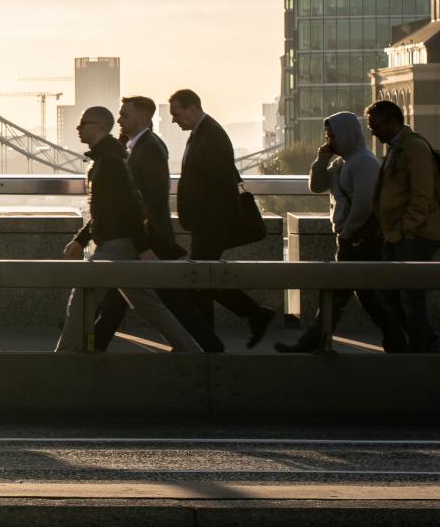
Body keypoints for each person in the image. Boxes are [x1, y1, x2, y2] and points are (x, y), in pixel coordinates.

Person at [56, 106, 200, 353]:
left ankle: (59, 361)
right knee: (147, 304)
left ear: (100, 127)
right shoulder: (107, 158)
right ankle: (190, 351)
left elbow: (132, 207)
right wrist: (81, 239)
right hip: (119, 243)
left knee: (81, 300)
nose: (78, 129)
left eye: (83, 124)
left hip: (116, 245)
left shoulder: (110, 162)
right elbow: (106, 208)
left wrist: (142, 248)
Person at [276, 111, 403, 352]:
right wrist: (321, 160)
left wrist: (348, 232)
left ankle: (314, 342)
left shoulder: (363, 162)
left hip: (359, 240)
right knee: (358, 295)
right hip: (351, 238)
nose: (329, 141)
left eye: (333, 136)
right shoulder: (343, 161)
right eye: (327, 136)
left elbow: (365, 203)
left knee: (345, 293)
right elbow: (317, 186)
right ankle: (396, 340)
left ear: (346, 135)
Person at [92, 95, 207, 352]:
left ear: (142, 118)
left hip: (148, 238)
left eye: (124, 115)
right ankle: (94, 345)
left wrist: (142, 240)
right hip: (137, 237)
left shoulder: (151, 147)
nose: (119, 120)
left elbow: (153, 198)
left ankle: (208, 347)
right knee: (122, 298)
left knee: (168, 299)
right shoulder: (132, 145)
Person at [167, 88, 276, 348]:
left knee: (199, 279)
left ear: (192, 108)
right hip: (206, 223)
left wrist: (210, 225)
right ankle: (213, 337)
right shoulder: (203, 133)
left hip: (211, 223)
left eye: (176, 113)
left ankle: (217, 334)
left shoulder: (211, 135)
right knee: (202, 281)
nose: (173, 119)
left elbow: (221, 185)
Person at [366, 99, 440, 354]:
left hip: (414, 235)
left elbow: (422, 195)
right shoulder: (397, 147)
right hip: (396, 235)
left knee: (411, 296)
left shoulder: (414, 148)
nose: (374, 132)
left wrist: (405, 230)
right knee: (388, 293)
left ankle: (422, 346)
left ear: (393, 121)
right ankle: (426, 341)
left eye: (376, 126)